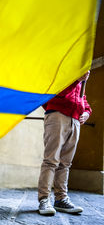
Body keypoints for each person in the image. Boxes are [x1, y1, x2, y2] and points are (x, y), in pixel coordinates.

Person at [38, 71, 92, 216]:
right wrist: (76, 79)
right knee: (51, 160)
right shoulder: (62, 71)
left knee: (66, 163)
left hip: (75, 120)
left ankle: (61, 199)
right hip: (57, 115)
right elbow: (52, 93)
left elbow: (82, 99)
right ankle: (44, 199)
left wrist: (87, 111)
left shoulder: (81, 79)